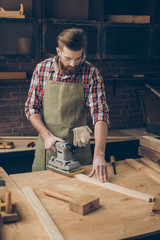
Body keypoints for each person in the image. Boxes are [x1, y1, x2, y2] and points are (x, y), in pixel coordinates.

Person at [25, 28, 109, 182]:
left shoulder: (91, 73)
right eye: (68, 58)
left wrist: (99, 154)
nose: (73, 64)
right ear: (58, 51)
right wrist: (47, 136)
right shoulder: (42, 69)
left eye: (78, 58)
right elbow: (31, 108)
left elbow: (100, 114)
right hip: (48, 149)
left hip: (79, 151)